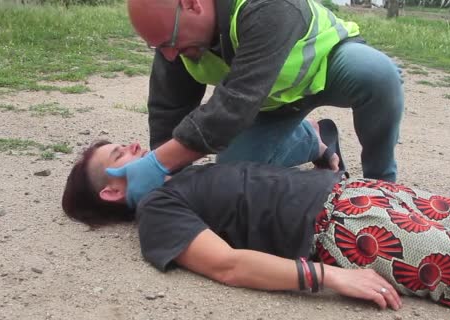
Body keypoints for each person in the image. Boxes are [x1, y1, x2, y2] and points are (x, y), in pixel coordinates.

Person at [62, 138, 450, 320]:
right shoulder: (158, 212)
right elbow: (227, 265)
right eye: (116, 155)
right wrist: (327, 276)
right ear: (111, 192)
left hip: (359, 192)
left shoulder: (181, 174)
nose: (132, 145)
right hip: (342, 228)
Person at [108, 0, 404, 209]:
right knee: (232, 175)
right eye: (159, 47)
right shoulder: (173, 38)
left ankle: (382, 187)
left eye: (168, 43)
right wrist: (166, 175)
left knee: (377, 76)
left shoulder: (266, 6)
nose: (170, 55)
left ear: (191, 4)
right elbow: (168, 108)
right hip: (267, 103)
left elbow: (233, 106)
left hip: (327, 68)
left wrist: (158, 161)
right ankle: (314, 140)